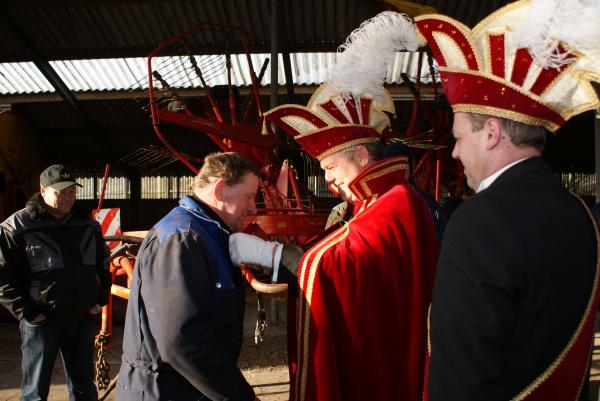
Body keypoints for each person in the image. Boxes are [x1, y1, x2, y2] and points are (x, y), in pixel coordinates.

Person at [229, 12, 439, 401]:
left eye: (330, 166)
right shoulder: (376, 200)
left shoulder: (398, 201)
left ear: (360, 155)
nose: (328, 179)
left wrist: (281, 257)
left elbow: (347, 261)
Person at [414, 1, 600, 399]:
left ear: (492, 133)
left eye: (459, 137)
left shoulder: (478, 222)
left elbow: (459, 378)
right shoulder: (582, 215)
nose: (455, 152)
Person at [115, 152, 260, 401]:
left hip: (188, 388)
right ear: (220, 191)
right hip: (165, 391)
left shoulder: (206, 234)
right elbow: (182, 340)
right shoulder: (182, 239)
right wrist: (239, 396)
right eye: (249, 196)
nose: (253, 207)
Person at [0, 164, 110, 401]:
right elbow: (3, 276)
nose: (68, 197)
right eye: (61, 192)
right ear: (43, 190)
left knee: (84, 388)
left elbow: (103, 264)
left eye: (72, 191)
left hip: (82, 318)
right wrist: (29, 313)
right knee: (35, 392)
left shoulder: (88, 225)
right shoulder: (17, 227)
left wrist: (99, 301)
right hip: (42, 322)